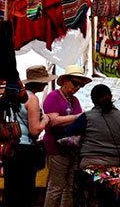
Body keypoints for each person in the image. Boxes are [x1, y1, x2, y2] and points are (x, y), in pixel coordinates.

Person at [3, 66, 54, 207]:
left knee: (11, 190)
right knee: (25, 191)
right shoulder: (32, 99)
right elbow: (34, 130)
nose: (46, 85)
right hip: (24, 149)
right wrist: (46, 119)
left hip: (11, 146)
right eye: (44, 82)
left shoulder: (14, 96)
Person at [43, 65, 92, 207]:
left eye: (81, 85)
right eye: (75, 83)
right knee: (56, 186)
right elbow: (54, 121)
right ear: (64, 80)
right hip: (57, 146)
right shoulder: (53, 97)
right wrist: (78, 116)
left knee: (68, 187)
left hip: (71, 147)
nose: (77, 87)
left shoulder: (74, 100)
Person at [64, 84, 120, 168]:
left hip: (89, 166)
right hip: (115, 167)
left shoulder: (87, 117)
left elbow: (67, 133)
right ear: (111, 97)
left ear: (93, 100)